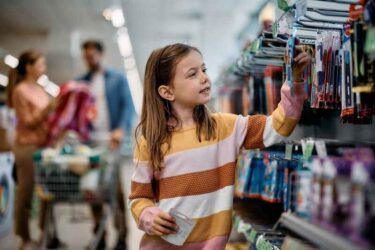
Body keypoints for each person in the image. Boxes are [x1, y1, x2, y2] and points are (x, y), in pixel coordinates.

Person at [128, 43, 310, 249]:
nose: (204, 77)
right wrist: (147, 215)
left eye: (203, 70)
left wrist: (294, 79)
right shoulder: (151, 141)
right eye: (192, 74)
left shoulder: (226, 128)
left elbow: (279, 125)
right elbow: (139, 197)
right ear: (167, 92)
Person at [78, 40, 135, 250]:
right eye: (86, 57)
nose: (89, 60)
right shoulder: (82, 83)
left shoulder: (117, 79)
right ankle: (99, 235)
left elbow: (127, 107)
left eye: (92, 55)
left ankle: (122, 236)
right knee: (91, 189)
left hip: (111, 142)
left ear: (101, 54)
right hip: (90, 143)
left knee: (114, 190)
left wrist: (121, 129)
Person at [6, 50, 56, 250]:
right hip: (27, 147)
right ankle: (24, 236)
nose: (44, 68)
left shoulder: (41, 89)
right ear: (29, 67)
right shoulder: (20, 91)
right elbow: (27, 122)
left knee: (46, 191)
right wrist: (47, 109)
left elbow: (45, 120)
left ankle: (45, 232)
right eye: (40, 64)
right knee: (26, 191)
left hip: (44, 146)